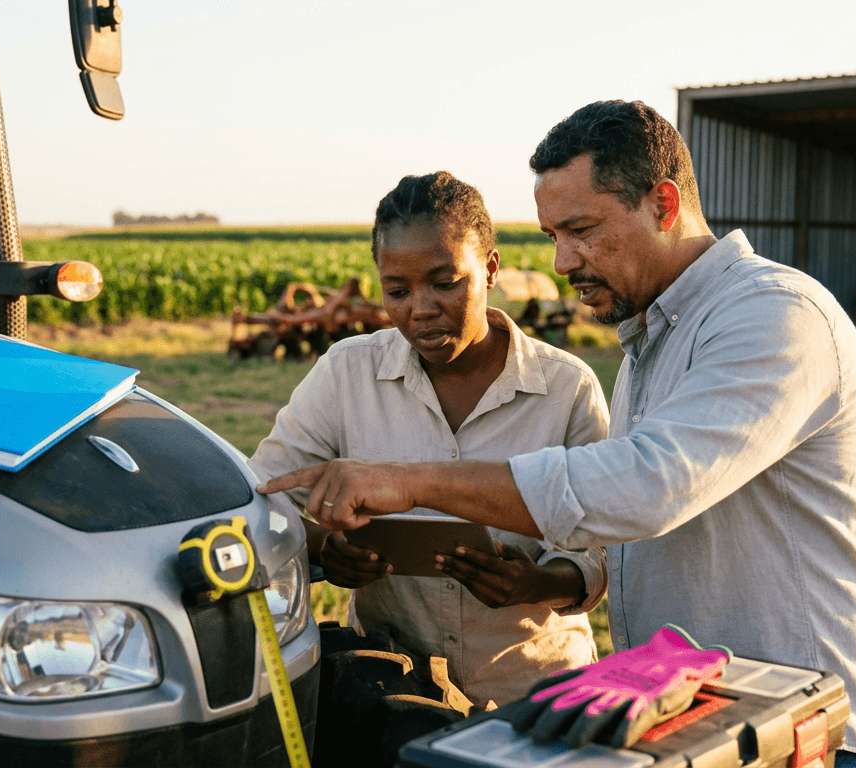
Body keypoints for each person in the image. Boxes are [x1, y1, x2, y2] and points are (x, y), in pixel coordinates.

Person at [260, 102, 856, 768]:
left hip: (814, 734)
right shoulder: (650, 345)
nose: (563, 261)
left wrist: (408, 483)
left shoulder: (773, 313)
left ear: (663, 204)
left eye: (581, 230)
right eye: (553, 235)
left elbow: (646, 487)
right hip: (708, 722)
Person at [249, 170, 610, 708]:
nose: (420, 308)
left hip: (533, 691)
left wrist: (534, 584)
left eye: (445, 283)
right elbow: (262, 496)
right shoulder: (347, 373)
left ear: (490, 269)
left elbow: (602, 549)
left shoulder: (566, 388)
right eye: (397, 291)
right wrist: (326, 550)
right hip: (394, 692)